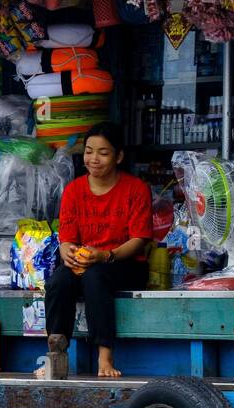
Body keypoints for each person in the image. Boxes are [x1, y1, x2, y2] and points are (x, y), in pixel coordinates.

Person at [39, 122, 152, 379]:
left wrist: (106, 255)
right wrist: (68, 252)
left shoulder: (136, 189)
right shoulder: (73, 190)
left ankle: (105, 356)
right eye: (89, 151)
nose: (94, 159)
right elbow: (67, 239)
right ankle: (55, 355)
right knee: (58, 281)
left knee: (96, 276)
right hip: (87, 263)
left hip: (125, 263)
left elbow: (139, 240)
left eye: (103, 153)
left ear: (119, 156)